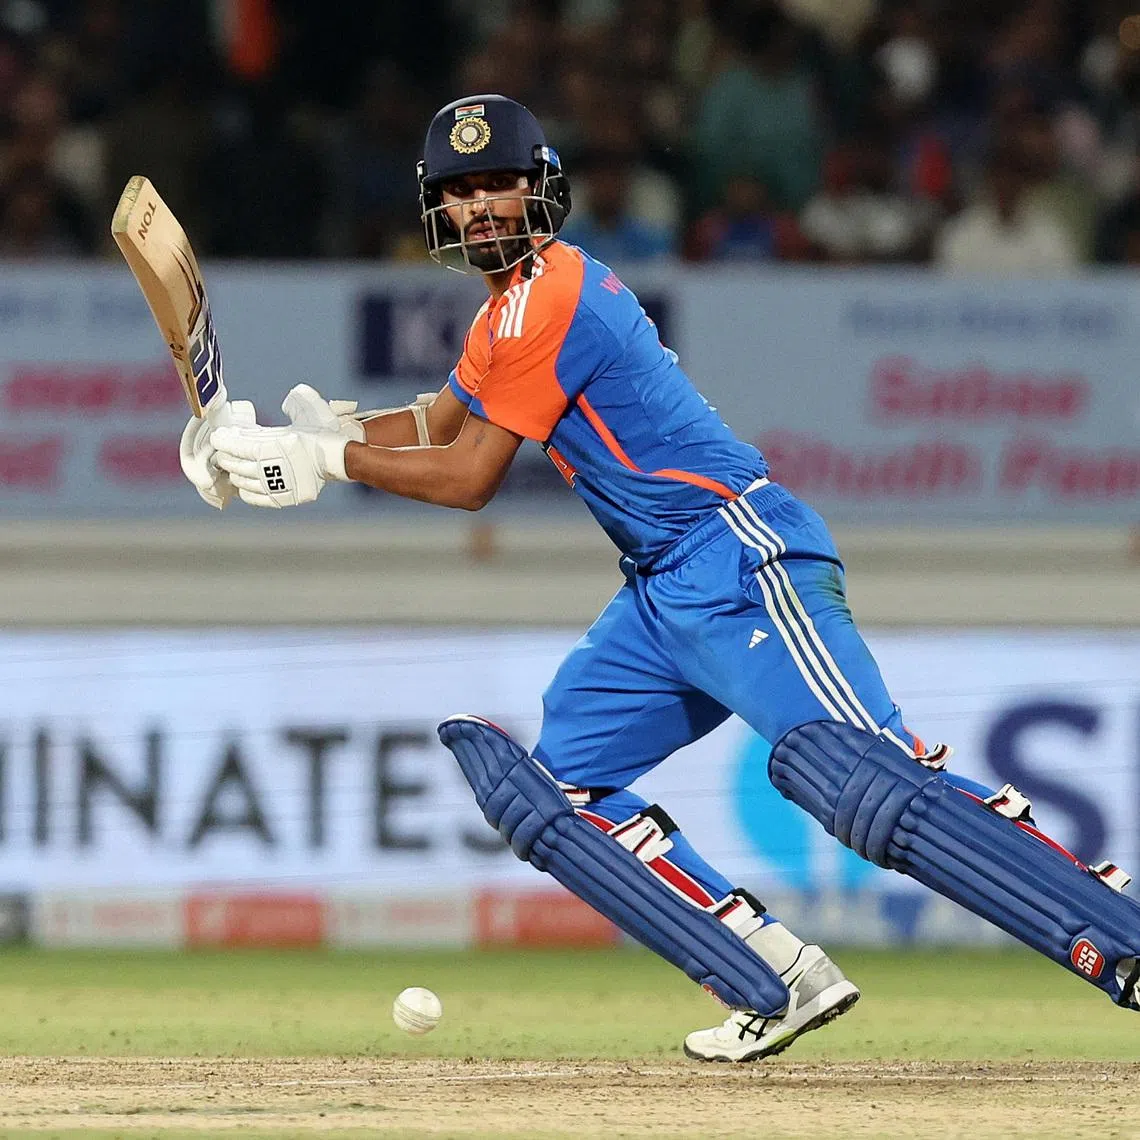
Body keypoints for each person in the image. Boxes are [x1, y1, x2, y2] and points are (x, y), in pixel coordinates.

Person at [190, 94, 1140, 1061]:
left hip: (740, 556)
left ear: (539, 189)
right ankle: (774, 977)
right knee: (555, 795)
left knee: (861, 781)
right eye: (460, 191)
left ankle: (1123, 937)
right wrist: (293, 439)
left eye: (497, 185)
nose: (479, 207)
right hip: (660, 590)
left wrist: (325, 463)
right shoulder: (504, 312)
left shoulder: (551, 294)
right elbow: (437, 423)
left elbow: (470, 475)